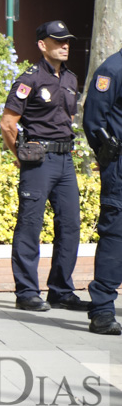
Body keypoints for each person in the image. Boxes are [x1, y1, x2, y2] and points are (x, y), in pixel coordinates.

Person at [0, 21, 89, 314]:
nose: (65, 45)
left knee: (71, 225)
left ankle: (61, 291)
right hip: (38, 160)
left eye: (67, 41)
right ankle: (26, 291)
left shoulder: (71, 80)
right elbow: (8, 123)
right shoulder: (30, 79)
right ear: (42, 45)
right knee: (30, 225)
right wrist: (20, 156)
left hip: (65, 161)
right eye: (58, 40)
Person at [82, 49, 122, 335]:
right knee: (116, 236)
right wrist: (109, 159)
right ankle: (103, 310)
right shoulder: (112, 69)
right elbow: (95, 121)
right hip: (121, 168)